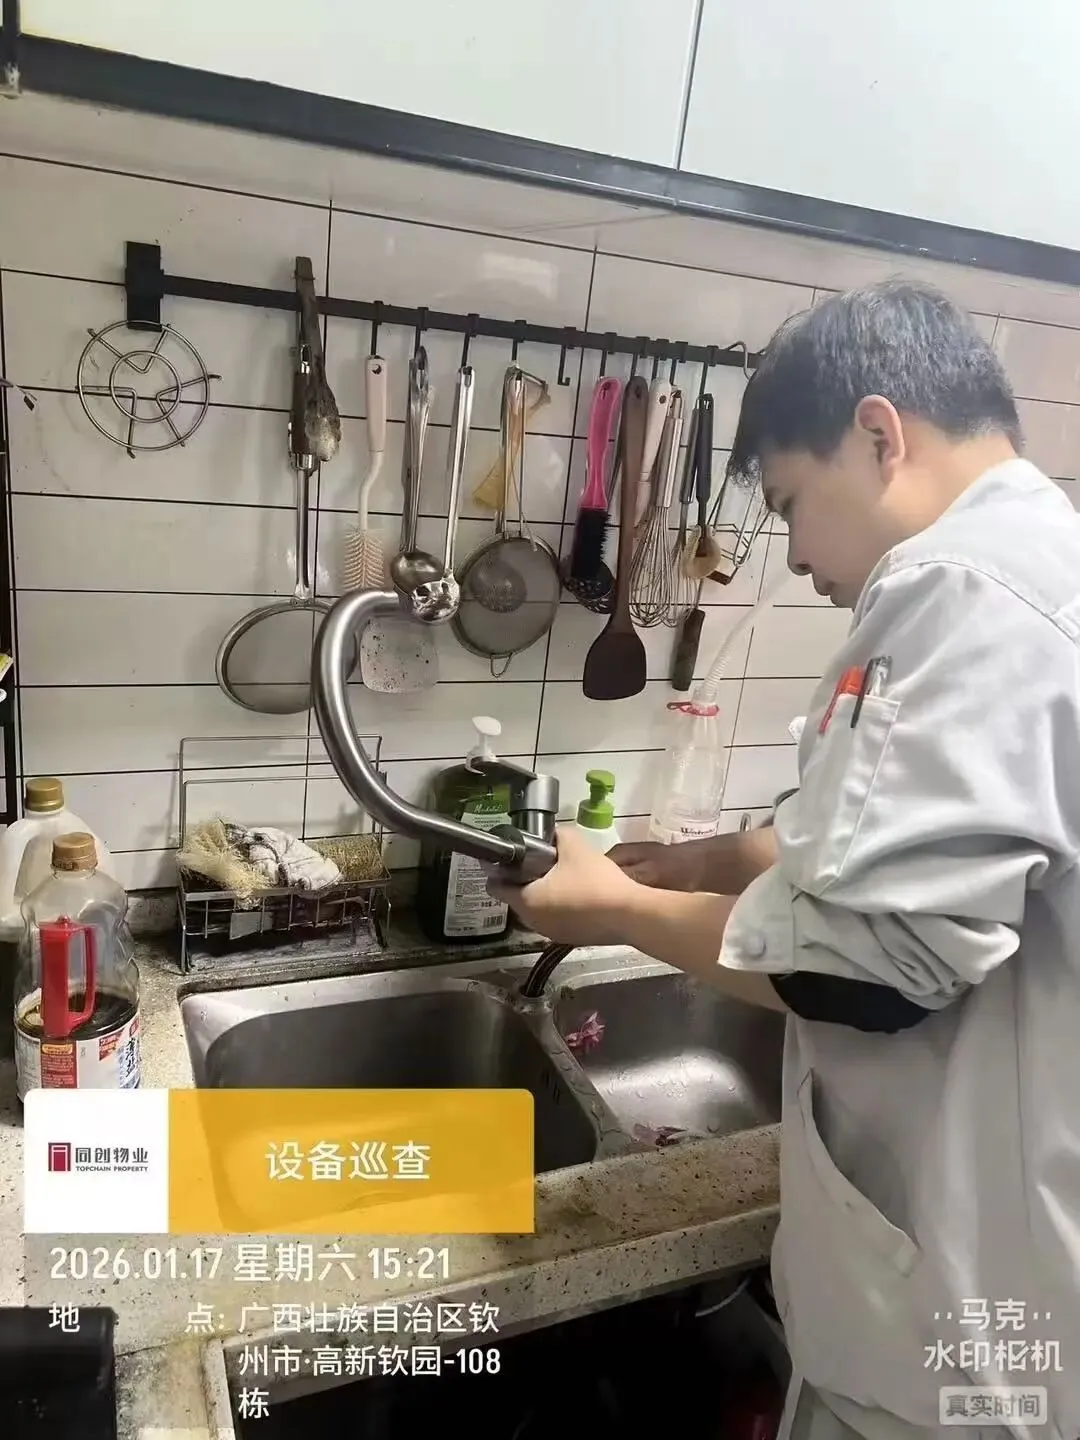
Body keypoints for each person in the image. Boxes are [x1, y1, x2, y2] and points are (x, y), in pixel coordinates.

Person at [491, 281, 1080, 1440]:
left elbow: (864, 966)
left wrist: (614, 911)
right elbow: (905, 841)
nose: (798, 554)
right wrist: (703, 860)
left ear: (880, 435)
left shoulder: (958, 589)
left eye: (792, 503)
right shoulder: (1041, 569)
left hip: (953, 1347)